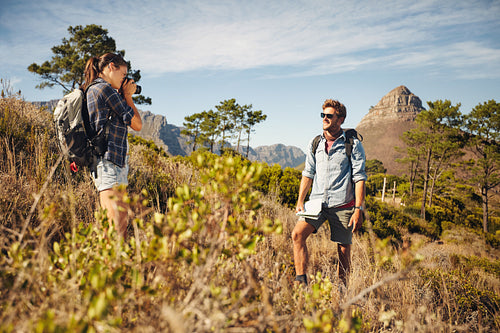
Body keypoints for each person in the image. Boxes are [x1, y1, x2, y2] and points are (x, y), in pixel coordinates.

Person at [292, 99, 366, 288]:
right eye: (323, 115)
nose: (324, 118)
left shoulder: (353, 144)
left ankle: (342, 291)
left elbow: (359, 178)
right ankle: (301, 282)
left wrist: (358, 209)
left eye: (329, 116)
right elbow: (308, 173)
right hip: (317, 204)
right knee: (297, 235)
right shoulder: (315, 142)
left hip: (343, 205)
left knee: (343, 251)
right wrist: (300, 200)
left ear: (340, 119)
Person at [83, 53, 142, 238]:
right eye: (123, 75)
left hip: (113, 163)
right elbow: (137, 124)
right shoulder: (105, 89)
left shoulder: (94, 89)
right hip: (108, 163)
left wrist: (123, 94)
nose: (124, 79)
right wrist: (127, 96)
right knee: (115, 229)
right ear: (110, 67)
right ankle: (110, 265)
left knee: (119, 227)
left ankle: (119, 265)